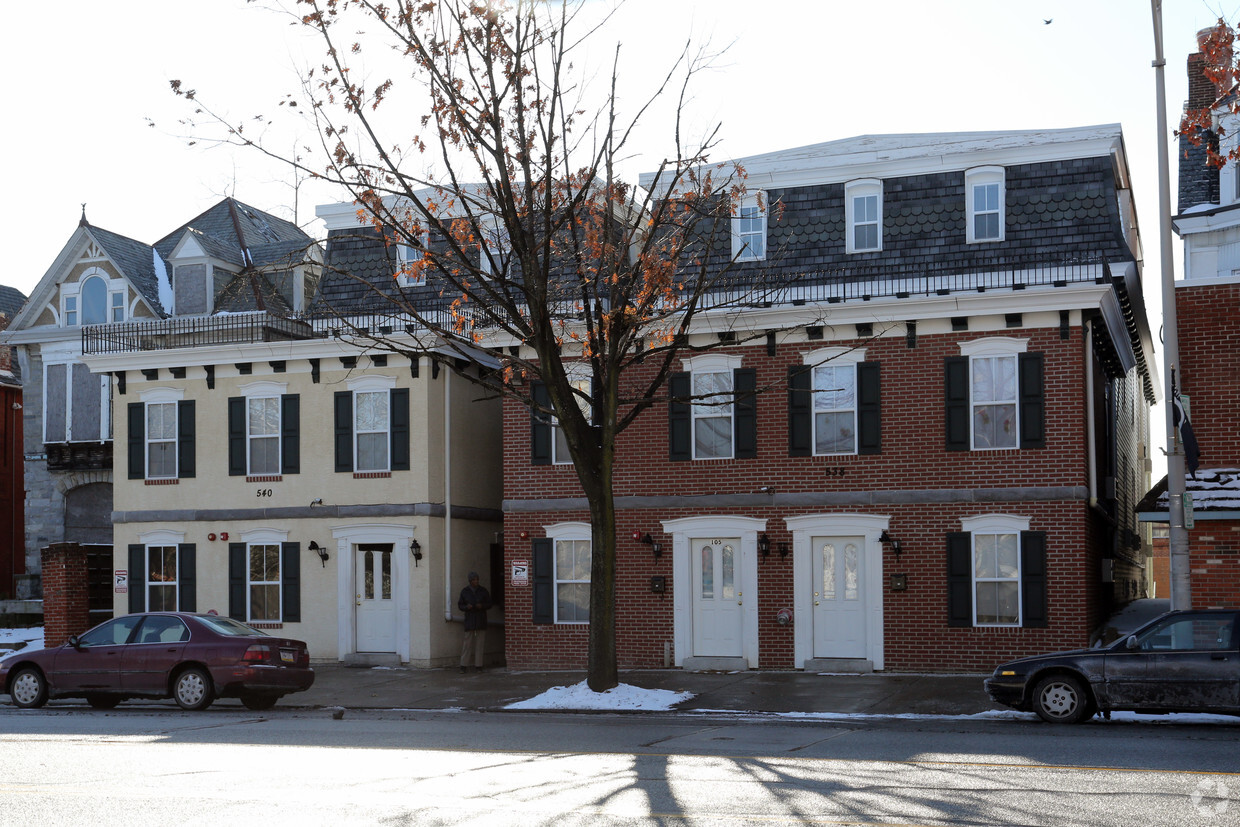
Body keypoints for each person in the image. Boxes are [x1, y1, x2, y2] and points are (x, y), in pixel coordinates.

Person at [458, 571, 492, 673]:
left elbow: (489, 603)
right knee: (467, 645)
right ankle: (463, 666)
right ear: (470, 581)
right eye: (474, 580)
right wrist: (466, 607)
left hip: (481, 619)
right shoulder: (465, 591)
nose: (476, 581)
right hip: (470, 619)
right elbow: (460, 605)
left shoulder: (483, 591)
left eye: (477, 579)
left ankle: (479, 666)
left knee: (480, 644)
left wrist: (482, 606)